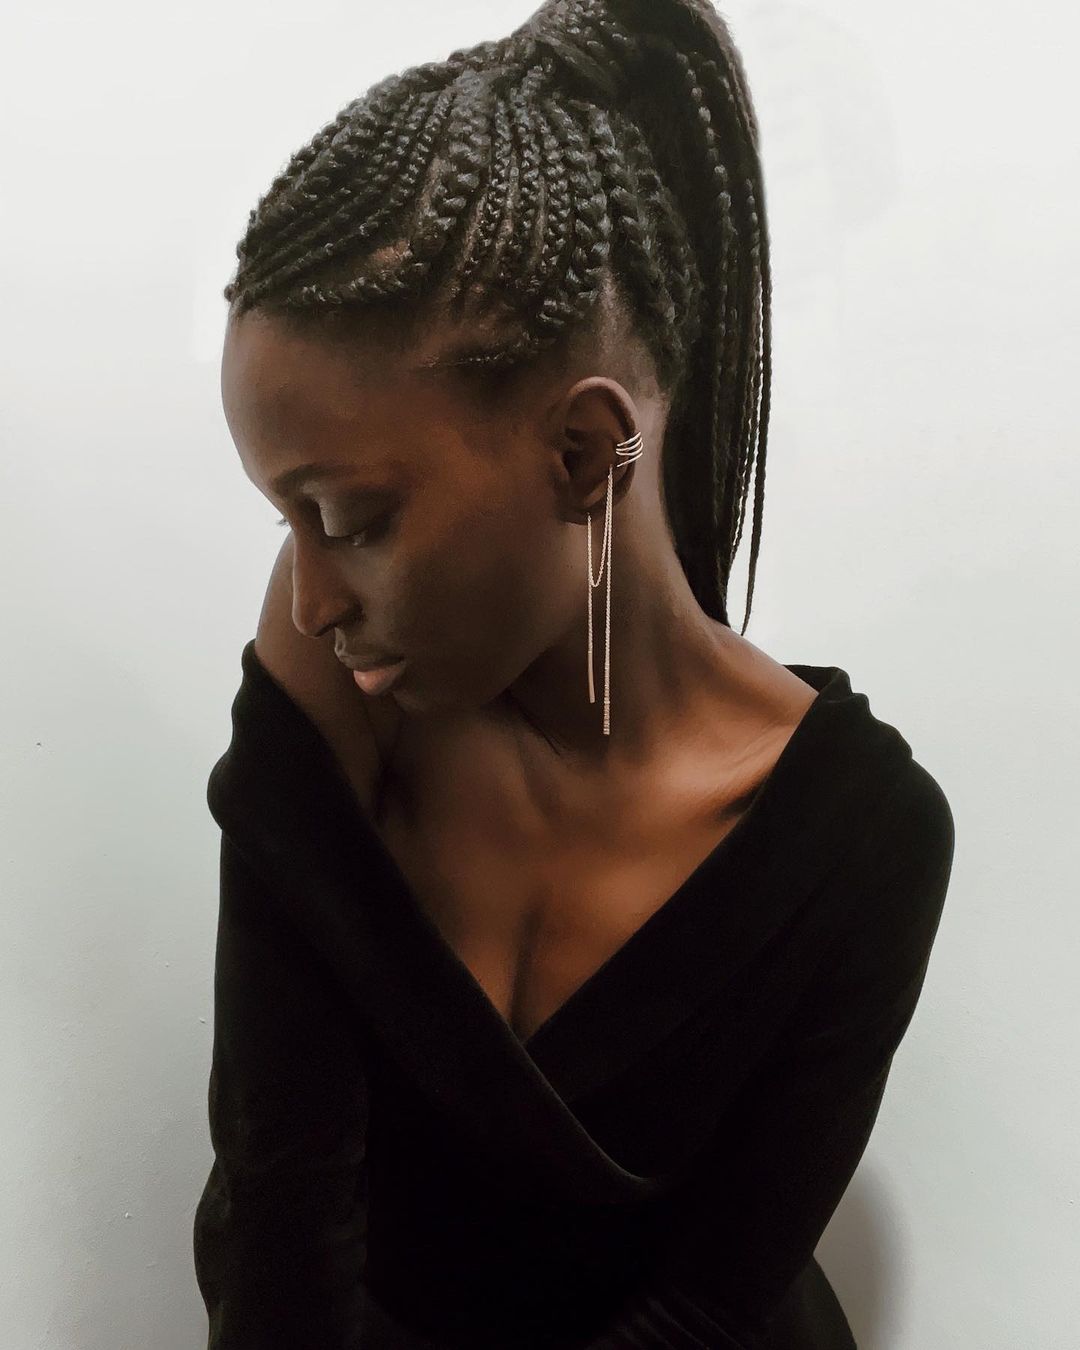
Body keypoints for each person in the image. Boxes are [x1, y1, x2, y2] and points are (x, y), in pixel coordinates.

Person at [193, 1, 956, 1346]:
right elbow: (280, 1199)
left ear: (585, 456)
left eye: (352, 518)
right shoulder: (337, 681)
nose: (311, 598)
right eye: (285, 519)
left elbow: (707, 1305)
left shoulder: (863, 838)